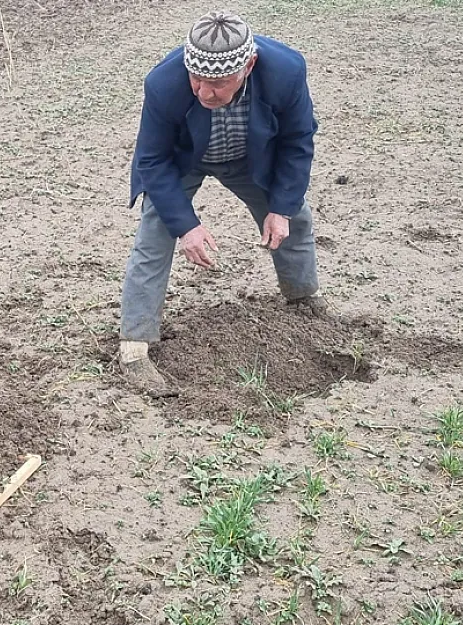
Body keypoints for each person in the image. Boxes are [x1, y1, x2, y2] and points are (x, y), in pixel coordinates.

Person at [119, 11, 326, 396]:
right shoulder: (164, 84)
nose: (202, 91)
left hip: (250, 158)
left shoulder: (285, 70)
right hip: (184, 160)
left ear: (248, 66)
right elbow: (152, 159)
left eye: (216, 83)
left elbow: (298, 140)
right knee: (154, 235)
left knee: (294, 216)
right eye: (196, 79)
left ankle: (303, 301)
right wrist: (187, 226)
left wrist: (279, 209)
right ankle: (134, 346)